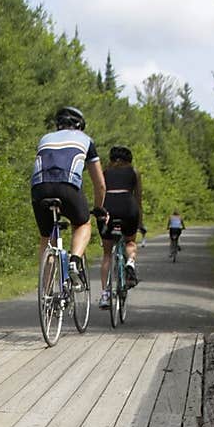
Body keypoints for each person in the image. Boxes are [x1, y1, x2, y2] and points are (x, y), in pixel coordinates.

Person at [31, 106, 107, 288]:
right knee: (83, 223)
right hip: (67, 186)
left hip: (39, 188)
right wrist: (99, 208)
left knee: (46, 237)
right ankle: (74, 260)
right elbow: (100, 184)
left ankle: (46, 293)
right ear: (80, 125)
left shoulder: (45, 138)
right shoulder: (86, 140)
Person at [98, 145, 144, 309]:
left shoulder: (104, 173)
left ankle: (105, 294)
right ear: (129, 160)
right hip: (128, 208)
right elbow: (138, 199)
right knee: (130, 242)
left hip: (108, 210)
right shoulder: (134, 172)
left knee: (107, 254)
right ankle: (130, 262)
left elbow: (100, 192)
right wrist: (140, 223)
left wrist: (100, 213)